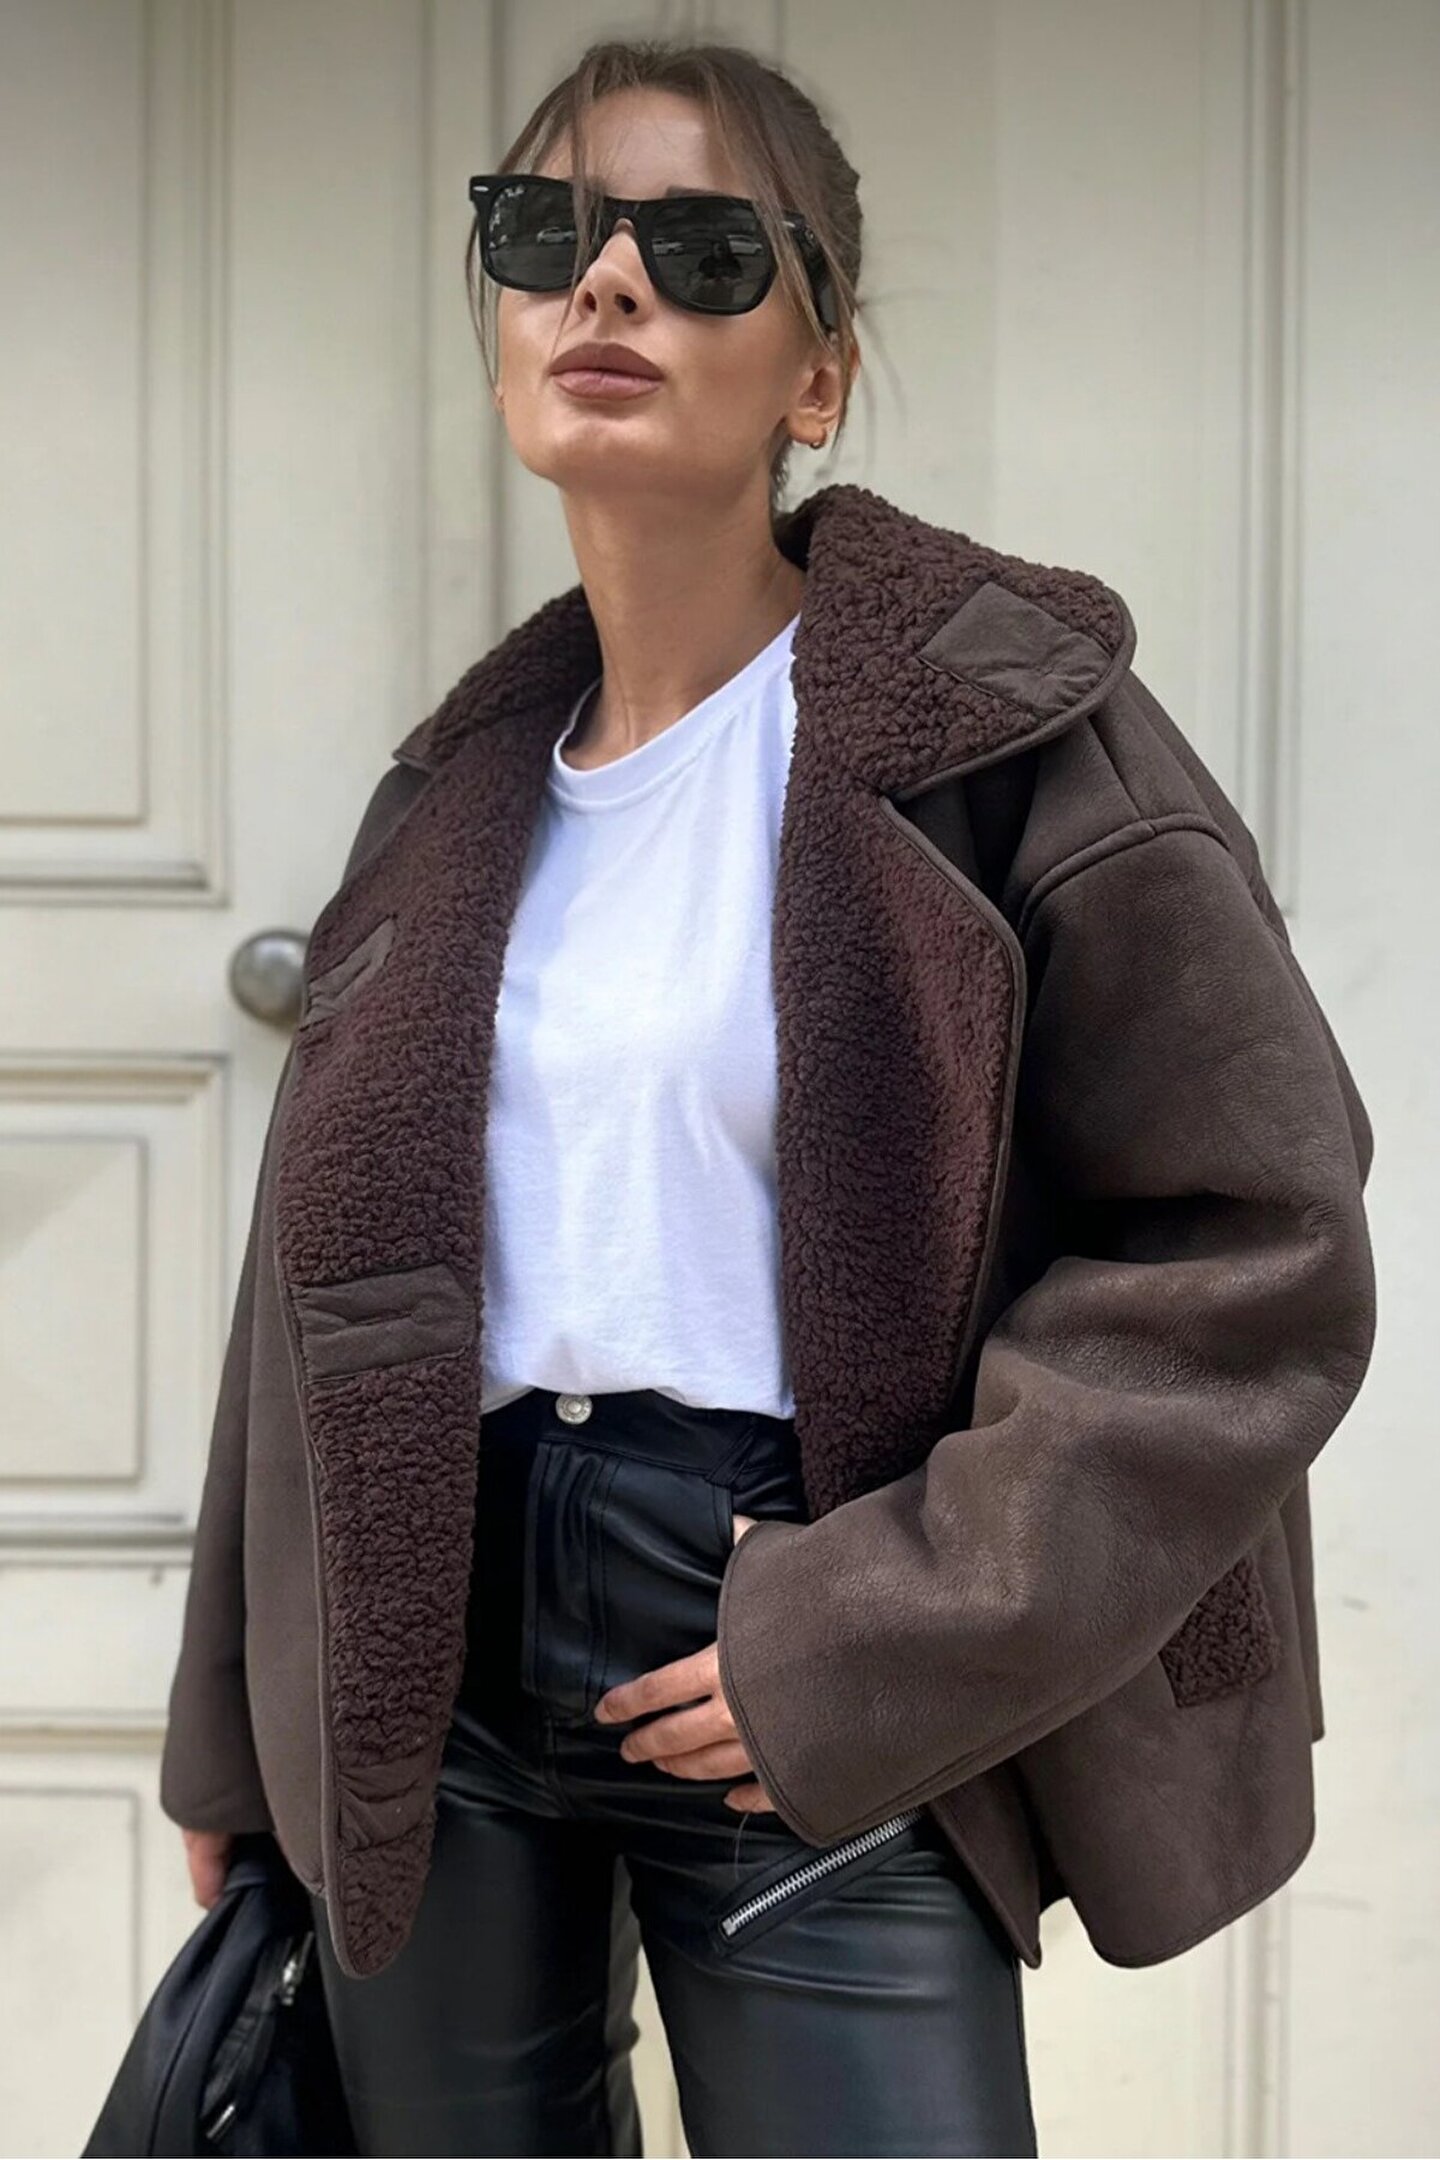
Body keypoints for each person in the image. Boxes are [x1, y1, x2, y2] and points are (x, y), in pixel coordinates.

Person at [162, 31, 1376, 2160]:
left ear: (817, 375)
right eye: (545, 233)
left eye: (702, 246)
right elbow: (308, 1300)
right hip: (434, 1652)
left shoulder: (1005, 733)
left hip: (793, 1612)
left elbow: (1254, 1240)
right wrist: (236, 1739)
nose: (606, 282)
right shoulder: (447, 804)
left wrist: (885, 1626)